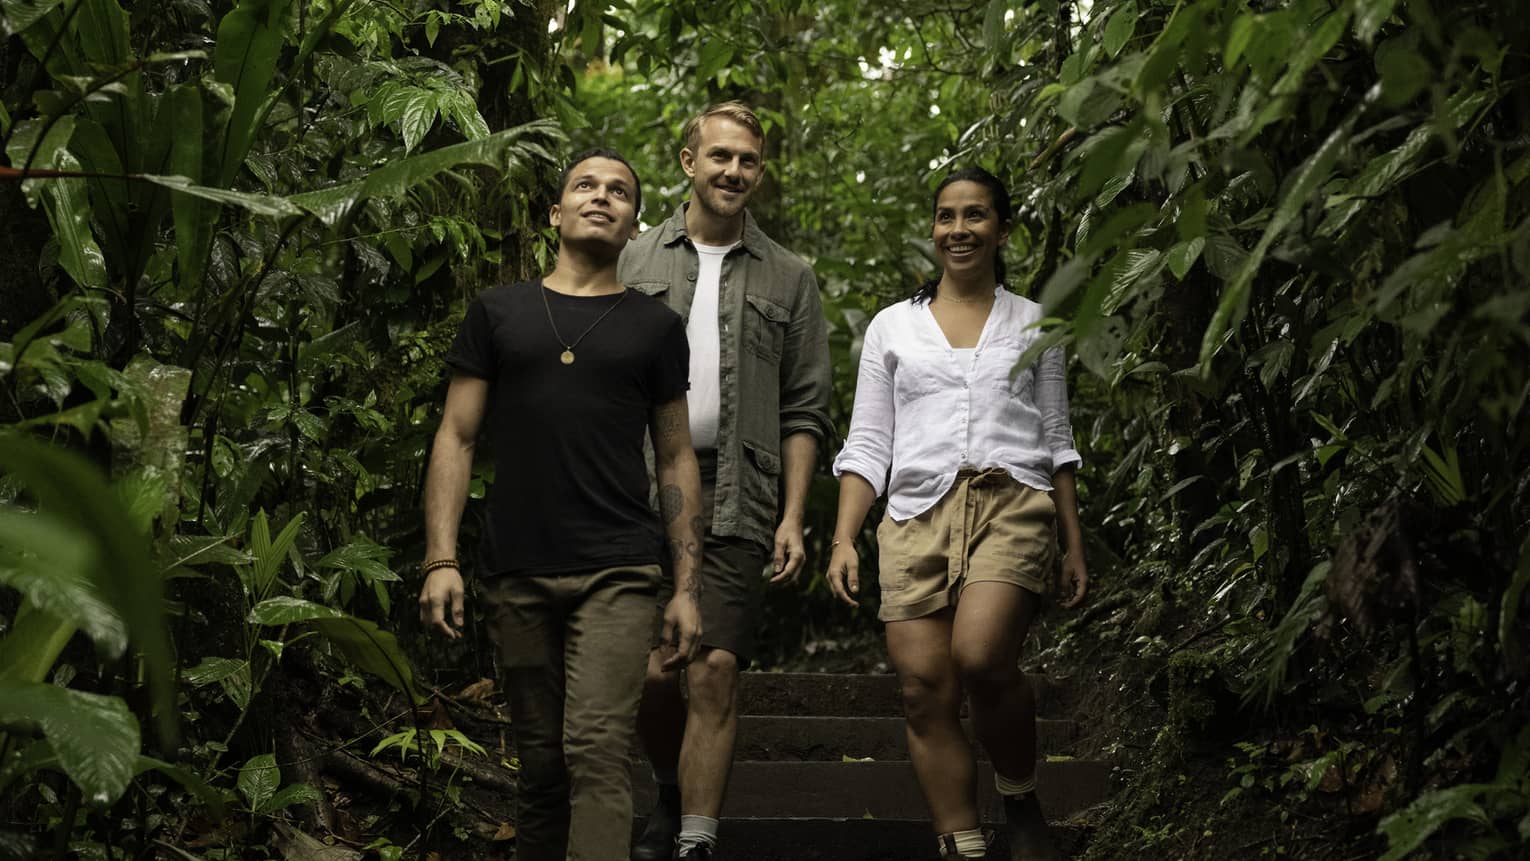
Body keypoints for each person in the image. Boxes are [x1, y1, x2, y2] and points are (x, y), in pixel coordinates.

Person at [417, 148, 706, 861]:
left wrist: (687, 585)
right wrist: (441, 557)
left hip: (618, 568)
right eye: (586, 185)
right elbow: (455, 435)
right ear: (555, 212)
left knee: (597, 749)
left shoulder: (655, 327)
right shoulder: (498, 311)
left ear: (636, 224)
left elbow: (675, 456)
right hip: (517, 567)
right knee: (542, 764)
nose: (602, 197)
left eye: (620, 192)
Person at [824, 167, 1089, 861]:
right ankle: (962, 843)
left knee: (980, 656)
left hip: (1012, 502)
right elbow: (869, 442)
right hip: (913, 513)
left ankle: (1021, 795)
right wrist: (844, 537)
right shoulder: (892, 328)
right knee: (923, 689)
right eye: (946, 216)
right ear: (933, 229)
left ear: (1001, 229)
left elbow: (1058, 439)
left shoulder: (1036, 323)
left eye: (975, 216)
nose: (959, 229)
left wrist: (1074, 542)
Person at [619, 101, 833, 861]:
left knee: (711, 670)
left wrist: (793, 516)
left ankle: (696, 841)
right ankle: (671, 789)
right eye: (720, 157)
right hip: (637, 488)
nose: (734, 171)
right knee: (648, 675)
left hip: (742, 488)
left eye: (747, 160)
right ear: (688, 163)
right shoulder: (634, 260)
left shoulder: (790, 275)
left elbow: (806, 408)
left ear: (759, 172)